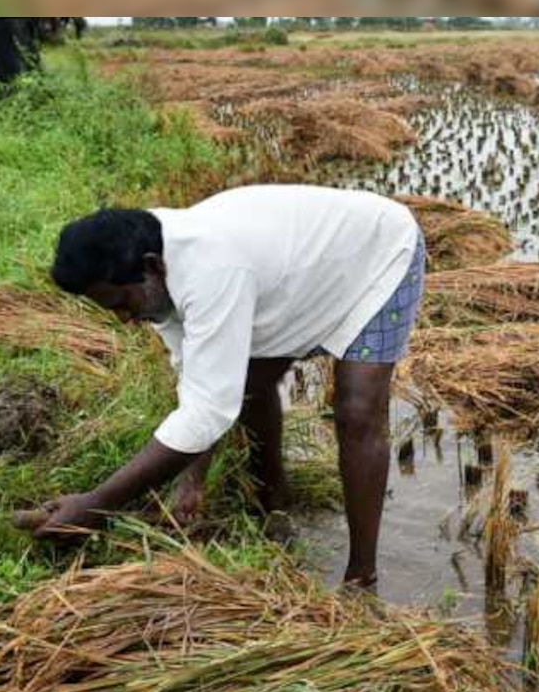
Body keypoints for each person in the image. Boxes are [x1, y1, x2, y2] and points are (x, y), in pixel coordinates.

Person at [42, 185, 425, 590]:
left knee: (357, 410)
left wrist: (95, 505)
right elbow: (199, 384)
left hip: (378, 254)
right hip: (297, 274)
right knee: (247, 383)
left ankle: (361, 576)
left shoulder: (209, 269)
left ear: (152, 267)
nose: (124, 318)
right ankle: (272, 502)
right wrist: (192, 481)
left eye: (122, 302)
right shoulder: (143, 259)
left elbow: (207, 410)